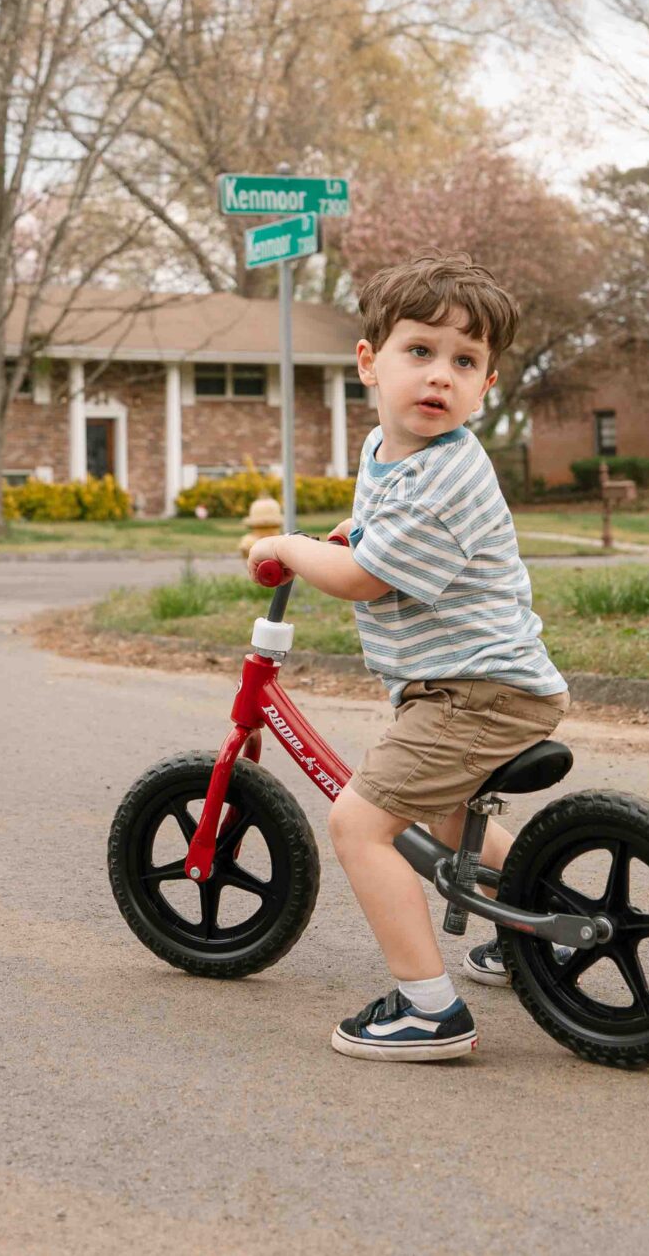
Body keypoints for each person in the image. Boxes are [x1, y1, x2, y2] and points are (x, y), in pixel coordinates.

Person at [246, 254, 567, 1061]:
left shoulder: (448, 471)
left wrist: (288, 544)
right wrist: (354, 532)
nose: (440, 376)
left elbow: (360, 580)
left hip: (475, 692)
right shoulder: (390, 452)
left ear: (487, 386)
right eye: (420, 351)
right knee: (448, 815)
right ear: (370, 362)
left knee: (359, 824)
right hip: (466, 685)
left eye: (465, 362)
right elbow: (374, 537)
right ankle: (535, 933)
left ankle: (430, 1010)